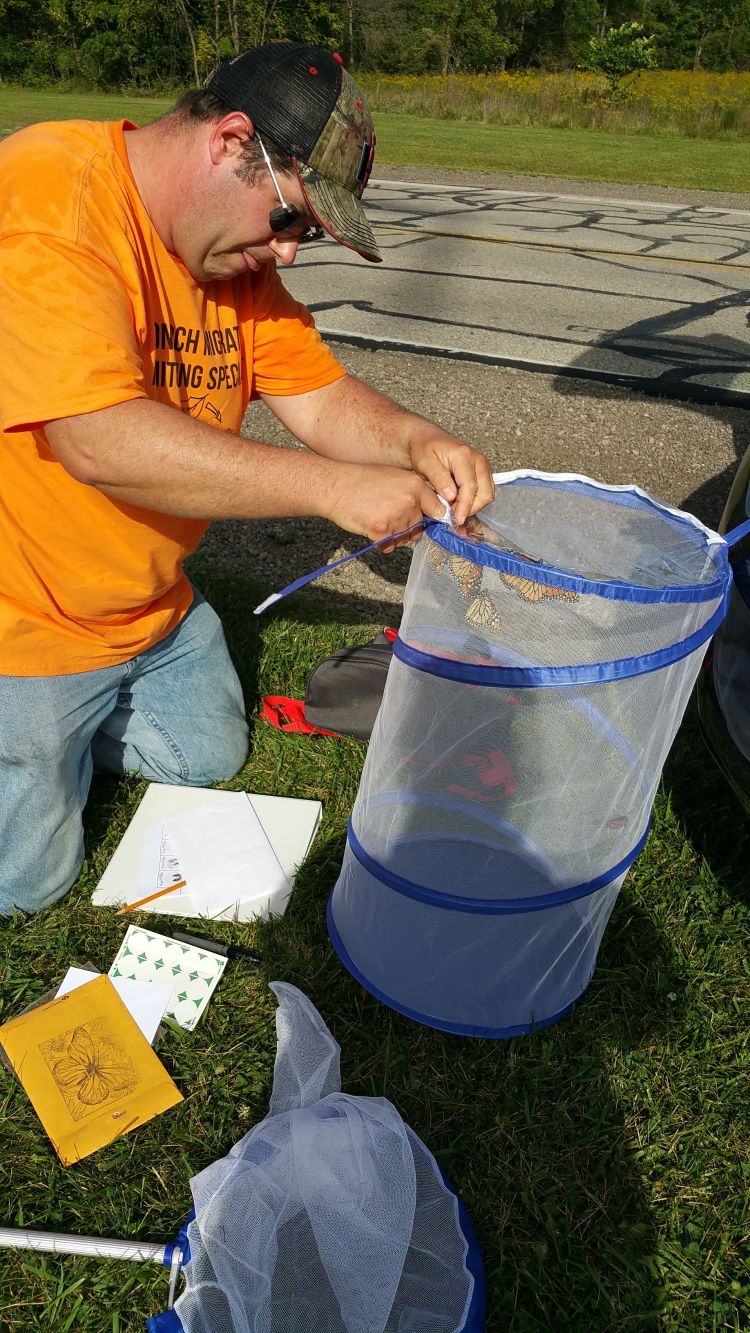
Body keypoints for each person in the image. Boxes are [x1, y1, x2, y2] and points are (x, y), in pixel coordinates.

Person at [0, 41, 494, 914]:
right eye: (290, 219)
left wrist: (418, 440)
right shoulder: (47, 193)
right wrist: (333, 490)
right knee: (28, 886)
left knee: (210, 757)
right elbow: (97, 439)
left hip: (150, 607)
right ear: (231, 141)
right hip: (23, 620)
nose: (291, 253)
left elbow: (322, 396)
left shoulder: (229, 259)